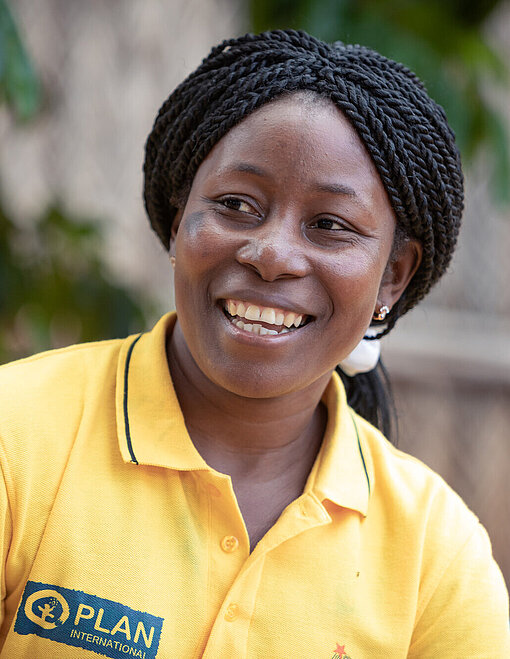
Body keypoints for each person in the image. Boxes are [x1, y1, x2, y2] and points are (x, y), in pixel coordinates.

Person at [0, 29, 508, 658]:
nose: (271, 255)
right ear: (180, 215)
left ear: (394, 275)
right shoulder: (17, 436)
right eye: (237, 204)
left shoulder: (437, 554)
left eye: (329, 225)